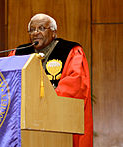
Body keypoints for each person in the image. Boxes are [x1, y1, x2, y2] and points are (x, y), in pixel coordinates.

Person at [9, 13, 93, 147]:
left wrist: (44, 102)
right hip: (25, 125)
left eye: (41, 28)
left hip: (59, 124)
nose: (36, 33)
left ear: (53, 32)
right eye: (32, 30)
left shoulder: (70, 51)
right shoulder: (18, 53)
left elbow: (76, 85)